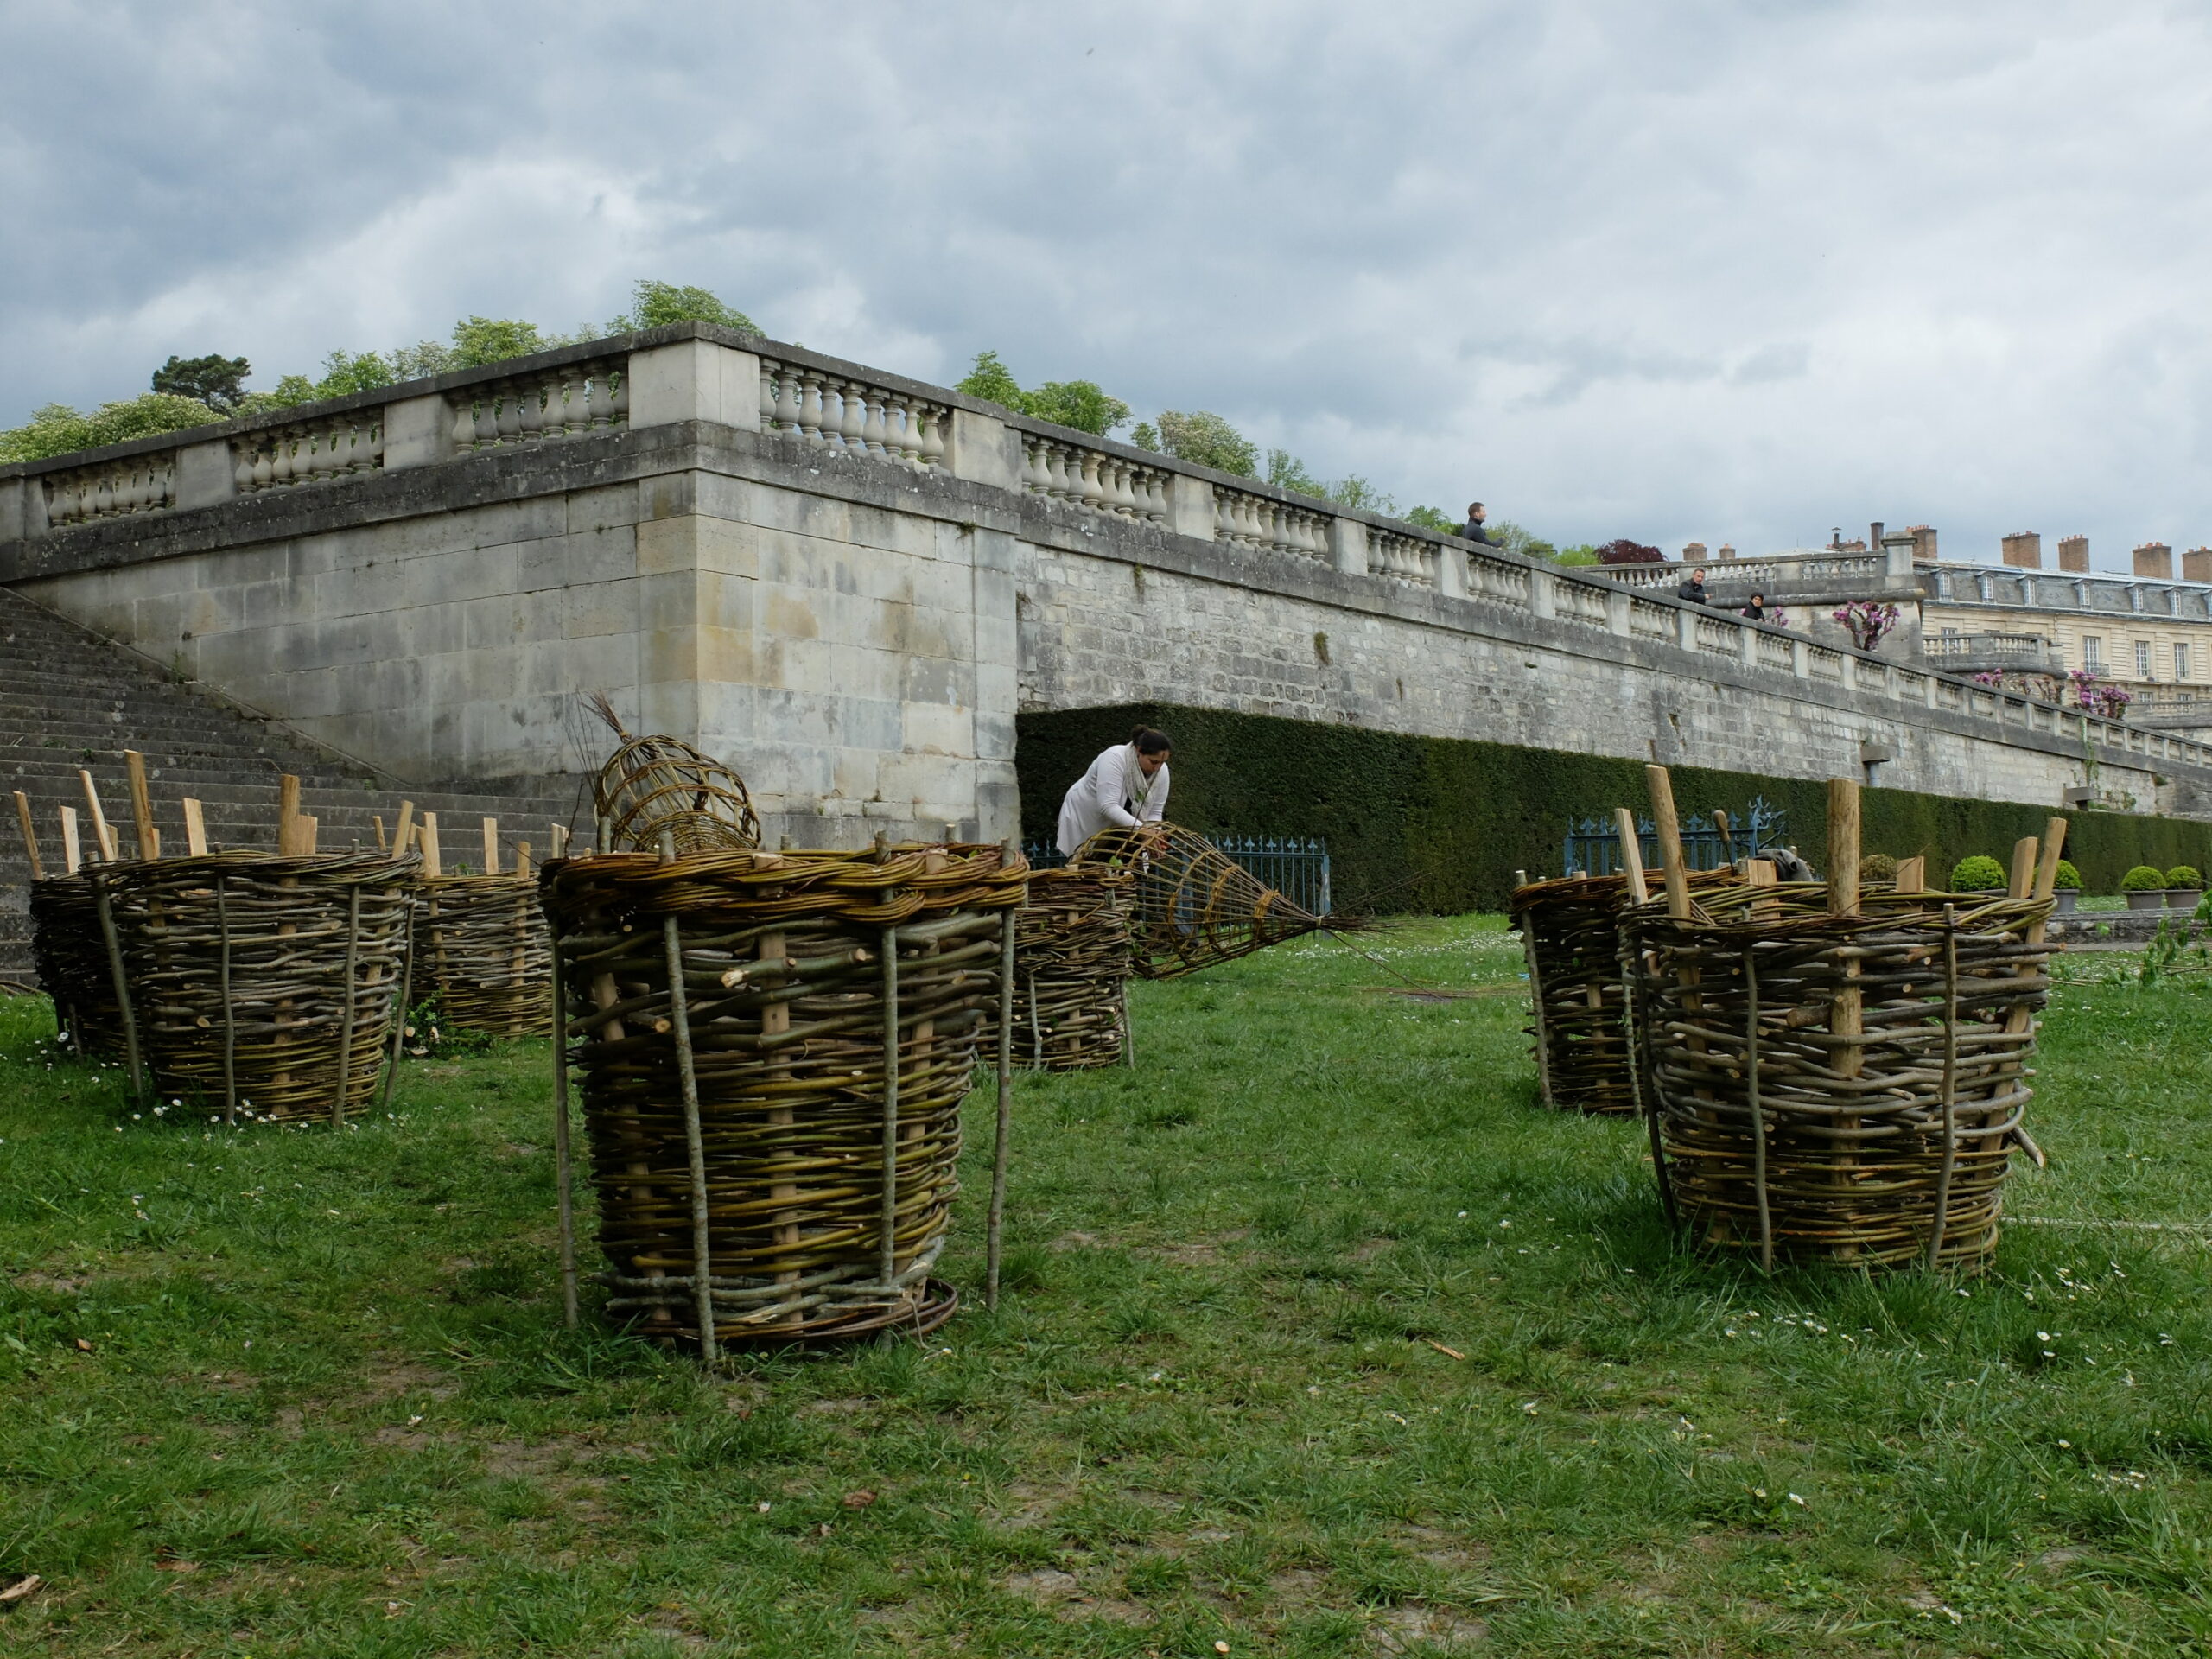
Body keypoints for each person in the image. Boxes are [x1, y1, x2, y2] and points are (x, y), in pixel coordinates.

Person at [1057, 726, 1172, 856]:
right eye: (1153, 762)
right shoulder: (1114, 758)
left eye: (1162, 762)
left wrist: (1154, 837)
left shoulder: (1162, 771)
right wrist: (1143, 831)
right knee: (1085, 862)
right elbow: (1108, 806)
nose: (1157, 768)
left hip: (1128, 826)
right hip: (1089, 816)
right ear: (1138, 750)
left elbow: (1155, 811)